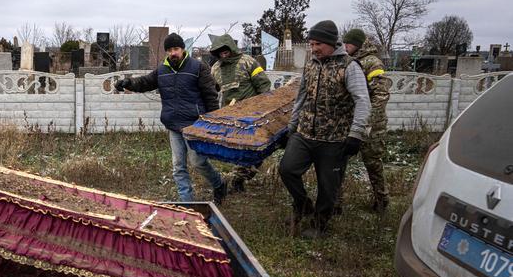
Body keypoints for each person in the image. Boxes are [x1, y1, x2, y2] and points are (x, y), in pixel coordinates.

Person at [278, 20, 371, 238]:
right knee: (287, 169)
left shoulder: (350, 67)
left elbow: (363, 101)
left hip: (334, 139)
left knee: (328, 187)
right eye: (311, 44)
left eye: (318, 44)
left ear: (331, 43)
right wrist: (292, 127)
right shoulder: (311, 64)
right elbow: (301, 96)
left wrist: (355, 134)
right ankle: (303, 205)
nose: (314, 48)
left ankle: (320, 224)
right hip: (305, 134)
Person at [115, 33, 227, 204]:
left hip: (195, 125)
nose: (173, 53)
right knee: (178, 167)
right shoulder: (162, 70)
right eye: (169, 50)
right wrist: (128, 83)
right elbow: (145, 82)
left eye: (176, 49)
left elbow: (210, 95)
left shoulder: (197, 68)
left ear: (182, 49)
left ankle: (219, 184)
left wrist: (213, 122)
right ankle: (186, 204)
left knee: (198, 162)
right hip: (173, 125)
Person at [208, 33, 272, 192]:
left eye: (225, 49)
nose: (223, 52)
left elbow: (263, 85)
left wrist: (262, 108)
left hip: (252, 115)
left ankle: (240, 177)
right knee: (237, 148)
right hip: (230, 116)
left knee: (254, 149)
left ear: (231, 47)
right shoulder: (215, 68)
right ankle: (238, 179)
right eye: (219, 50)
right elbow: (212, 89)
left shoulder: (248, 62)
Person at [341, 28, 391, 213]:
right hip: (350, 123)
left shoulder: (371, 63)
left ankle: (381, 201)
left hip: (371, 125)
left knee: (372, 163)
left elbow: (380, 95)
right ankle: (335, 201)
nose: (345, 46)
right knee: (339, 161)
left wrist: (368, 122)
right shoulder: (348, 61)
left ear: (358, 44)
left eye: (349, 43)